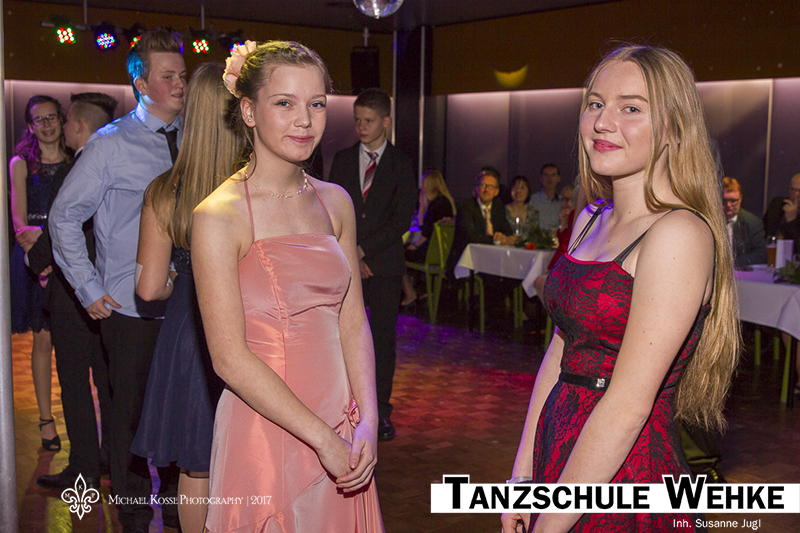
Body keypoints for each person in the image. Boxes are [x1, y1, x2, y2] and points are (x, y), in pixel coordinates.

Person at [501, 44, 740, 532]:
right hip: (561, 442)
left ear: (674, 128)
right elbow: (560, 352)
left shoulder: (678, 233)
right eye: (595, 103)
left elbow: (629, 406)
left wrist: (550, 524)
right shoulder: (590, 218)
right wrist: (521, 479)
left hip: (624, 471)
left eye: (630, 108)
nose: (602, 123)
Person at [192, 40, 384, 532]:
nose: (305, 121)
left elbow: (352, 320)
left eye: (316, 104)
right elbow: (228, 358)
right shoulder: (219, 216)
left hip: (342, 418)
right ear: (248, 111)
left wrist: (368, 418)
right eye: (285, 103)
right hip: (265, 426)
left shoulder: (335, 202)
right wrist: (322, 439)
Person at [50, 28, 186, 532]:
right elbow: (64, 217)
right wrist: (88, 288)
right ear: (141, 84)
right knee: (127, 423)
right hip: (130, 310)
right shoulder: (110, 144)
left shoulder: (197, 140)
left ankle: (178, 513)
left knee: (178, 418)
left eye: (182, 75)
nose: (180, 84)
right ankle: (132, 519)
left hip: (187, 306)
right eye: (168, 76)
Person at [129, 62, 242, 532]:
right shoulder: (254, 186)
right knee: (246, 454)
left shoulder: (164, 189)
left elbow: (148, 288)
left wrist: (181, 277)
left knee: (197, 467)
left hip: (188, 332)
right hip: (247, 326)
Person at [30, 92, 117, 490]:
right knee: (108, 382)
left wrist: (34, 261)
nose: (63, 128)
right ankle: (112, 459)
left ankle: (84, 466)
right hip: (111, 291)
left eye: (66, 122)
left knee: (75, 383)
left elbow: (58, 228)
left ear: (80, 126)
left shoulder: (74, 169)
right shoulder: (119, 164)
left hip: (72, 295)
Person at [328, 87, 416, 441]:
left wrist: (363, 251)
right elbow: (332, 210)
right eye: (357, 120)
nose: (361, 127)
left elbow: (401, 220)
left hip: (384, 265)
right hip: (346, 263)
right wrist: (352, 253)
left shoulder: (401, 163)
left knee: (381, 340)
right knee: (341, 336)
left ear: (386, 121)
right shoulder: (343, 159)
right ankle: (343, 409)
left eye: (368, 120)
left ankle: (378, 412)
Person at [9, 94, 70, 452]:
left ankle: (77, 420)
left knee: (74, 344)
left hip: (69, 256)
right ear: (30, 126)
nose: (46, 125)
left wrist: (54, 242)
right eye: (39, 119)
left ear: (62, 119)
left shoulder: (75, 160)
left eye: (51, 117)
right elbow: (19, 223)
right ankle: (46, 421)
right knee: (42, 340)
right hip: (34, 258)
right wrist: (44, 249)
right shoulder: (21, 163)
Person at [402, 168, 456, 306]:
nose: (421, 187)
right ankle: (414, 291)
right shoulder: (444, 202)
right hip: (441, 253)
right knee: (402, 251)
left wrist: (415, 245)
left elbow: (426, 233)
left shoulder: (438, 204)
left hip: (432, 254)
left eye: (423, 183)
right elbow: (423, 226)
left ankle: (409, 293)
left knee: (396, 254)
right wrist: (422, 206)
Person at [723, 177, 767, 268]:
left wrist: (731, 264)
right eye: (724, 200)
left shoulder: (752, 222)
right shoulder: (708, 221)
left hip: (740, 271)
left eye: (733, 201)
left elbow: (761, 254)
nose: (728, 205)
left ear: (740, 199)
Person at [763, 172, 800, 239]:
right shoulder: (777, 204)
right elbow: (765, 232)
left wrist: (791, 221)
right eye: (793, 190)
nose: (796, 194)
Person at [529, 163, 562, 232]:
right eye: (546, 175)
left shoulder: (562, 201)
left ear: (558, 178)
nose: (550, 178)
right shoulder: (533, 200)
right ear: (541, 178)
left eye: (553, 175)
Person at [505, 175, 540, 239]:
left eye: (522, 188)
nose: (518, 191)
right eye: (515, 187)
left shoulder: (533, 212)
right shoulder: (503, 211)